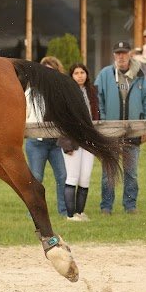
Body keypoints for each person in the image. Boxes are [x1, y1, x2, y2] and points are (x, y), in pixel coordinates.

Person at [95, 40, 146, 214]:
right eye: (118, 53)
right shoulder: (105, 75)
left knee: (131, 172)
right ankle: (106, 206)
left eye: (124, 52)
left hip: (133, 132)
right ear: (114, 55)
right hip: (110, 133)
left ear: (130, 54)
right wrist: (104, 123)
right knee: (108, 173)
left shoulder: (140, 76)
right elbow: (98, 101)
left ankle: (130, 206)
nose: (121, 56)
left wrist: (145, 127)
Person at [25, 56, 68, 217]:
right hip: (37, 142)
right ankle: (34, 212)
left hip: (56, 142)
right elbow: (24, 113)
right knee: (36, 177)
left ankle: (64, 211)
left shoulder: (61, 91)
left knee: (62, 175)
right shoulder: (31, 92)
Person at [61, 63, 100, 222]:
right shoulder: (65, 93)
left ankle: (80, 212)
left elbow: (97, 115)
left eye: (82, 72)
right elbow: (62, 120)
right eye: (76, 73)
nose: (79, 75)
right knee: (73, 176)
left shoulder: (92, 92)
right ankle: (70, 215)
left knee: (85, 177)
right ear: (71, 76)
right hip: (72, 140)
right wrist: (66, 144)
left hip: (89, 140)